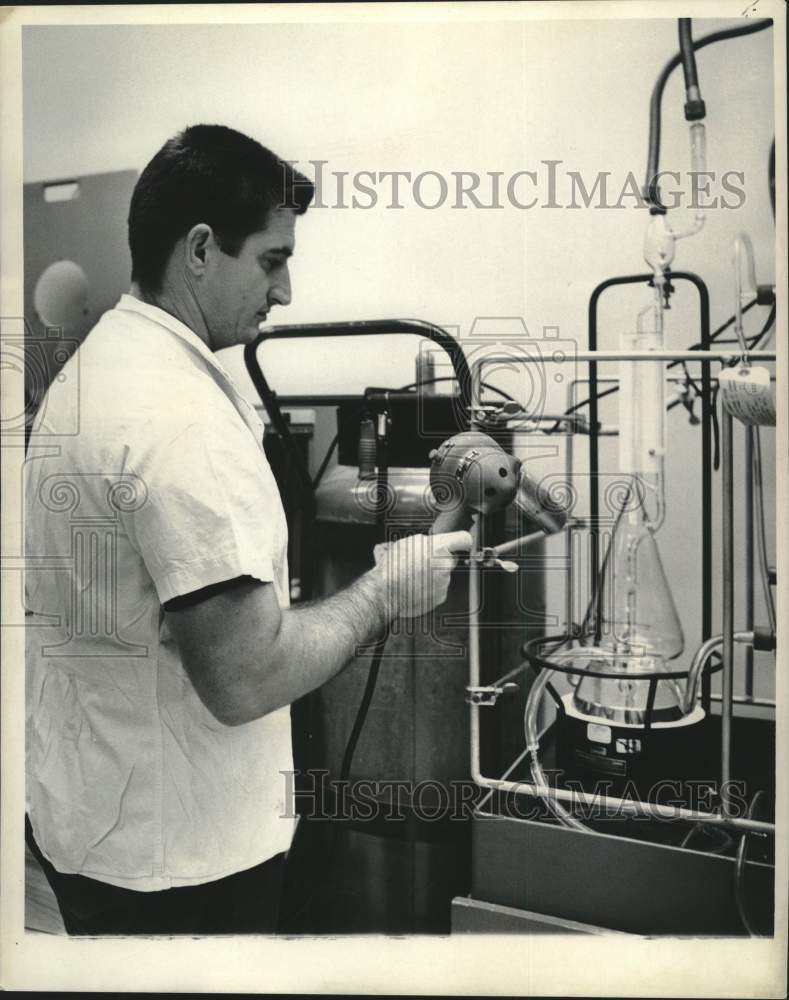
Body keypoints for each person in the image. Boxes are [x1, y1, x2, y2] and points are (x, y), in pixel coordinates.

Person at [24, 124, 471, 936]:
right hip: (181, 862)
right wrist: (384, 592)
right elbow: (245, 677)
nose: (287, 290)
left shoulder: (94, 369)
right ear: (200, 250)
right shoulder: (178, 417)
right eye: (272, 259)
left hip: (89, 823)